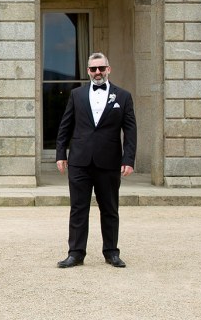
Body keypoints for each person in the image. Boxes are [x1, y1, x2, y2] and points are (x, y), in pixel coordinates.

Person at [55, 52, 137, 269]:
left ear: (108, 69)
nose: (97, 72)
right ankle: (75, 253)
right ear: (88, 71)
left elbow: (130, 130)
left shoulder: (124, 96)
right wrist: (60, 153)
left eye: (101, 68)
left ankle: (111, 252)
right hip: (80, 160)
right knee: (78, 208)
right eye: (93, 69)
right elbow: (66, 125)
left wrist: (128, 159)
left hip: (109, 161)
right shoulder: (76, 94)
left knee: (109, 208)